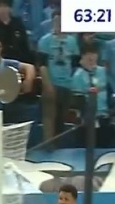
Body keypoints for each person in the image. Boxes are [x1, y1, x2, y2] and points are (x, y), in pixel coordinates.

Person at [36, 10, 79, 141]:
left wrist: (73, 82)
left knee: (62, 117)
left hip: (67, 84)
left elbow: (75, 64)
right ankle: (48, 144)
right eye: (57, 21)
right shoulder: (45, 41)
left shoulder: (72, 41)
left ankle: (59, 145)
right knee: (49, 117)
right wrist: (48, 85)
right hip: (51, 83)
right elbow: (42, 65)